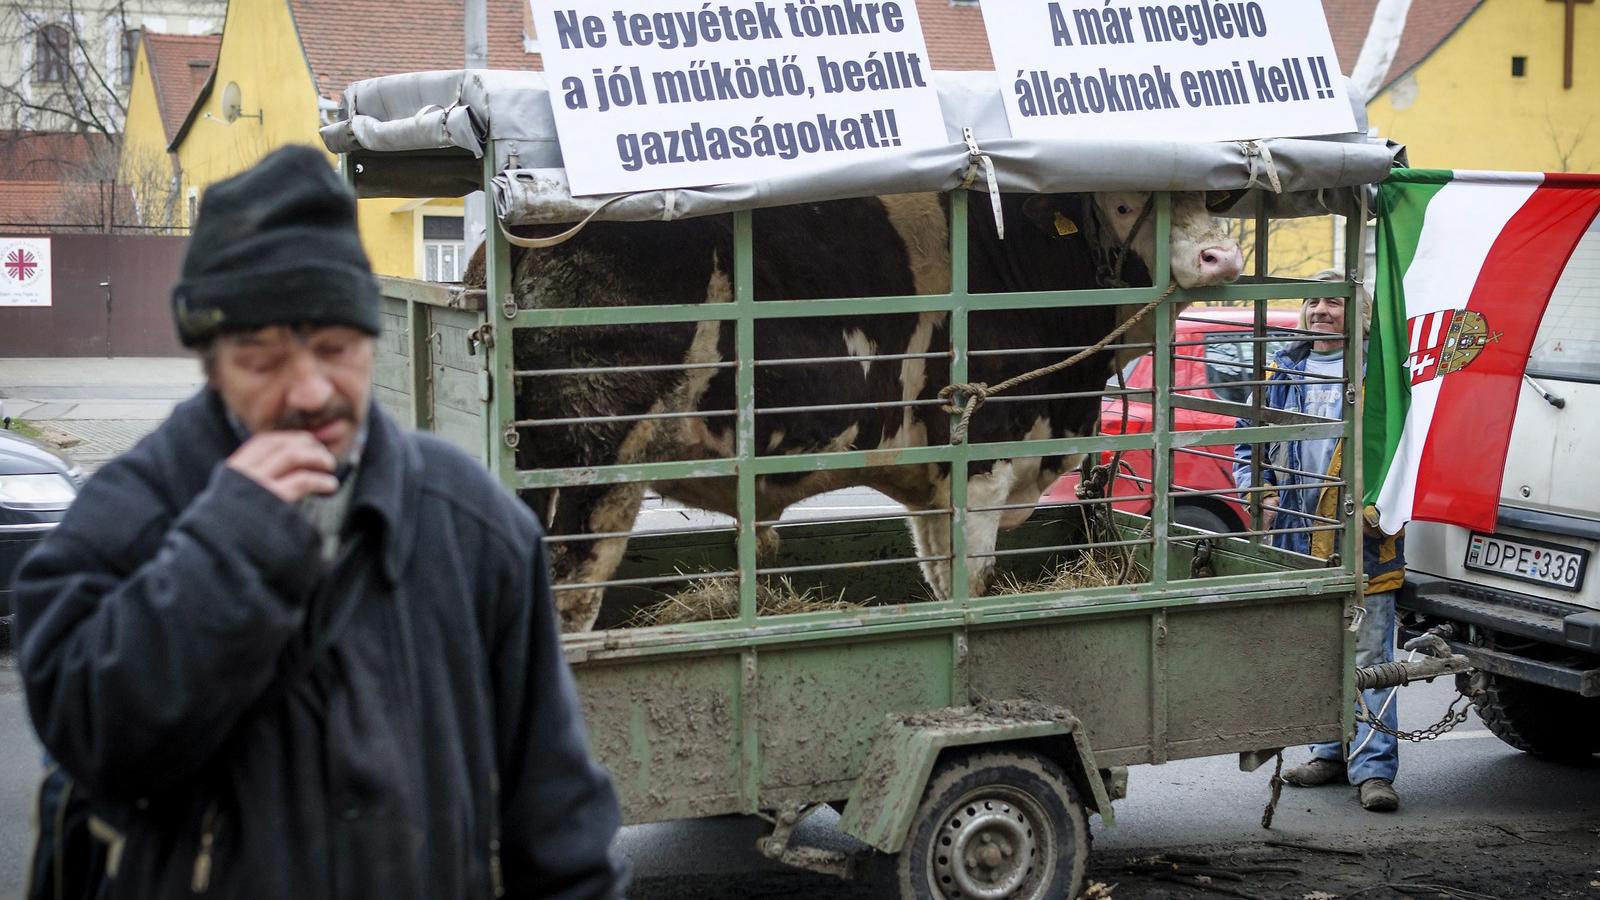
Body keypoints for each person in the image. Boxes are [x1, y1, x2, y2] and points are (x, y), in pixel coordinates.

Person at [13, 146, 627, 897]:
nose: (309, 390)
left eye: (334, 349)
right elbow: (92, 740)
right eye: (264, 359)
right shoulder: (124, 517)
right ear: (211, 362)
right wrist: (227, 549)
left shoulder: (477, 530)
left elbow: (561, 828)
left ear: (371, 341)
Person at [1231, 272, 1406, 813]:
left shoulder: (1381, 378)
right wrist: (1253, 488)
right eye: (1312, 301)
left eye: (1334, 301)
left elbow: (1403, 452)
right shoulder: (1285, 368)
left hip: (1363, 534)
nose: (1320, 311)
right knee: (1317, 644)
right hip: (1296, 533)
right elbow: (1250, 439)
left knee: (1371, 652)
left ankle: (1374, 771)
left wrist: (1386, 506)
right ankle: (1330, 751)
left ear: (1360, 314)